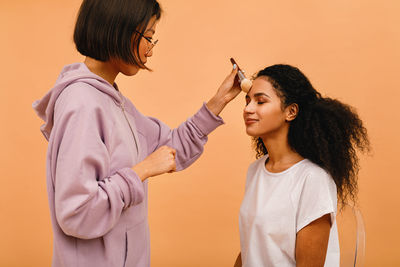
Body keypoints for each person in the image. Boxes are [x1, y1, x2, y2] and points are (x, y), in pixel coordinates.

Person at [33, 0, 241, 266]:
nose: (150, 51)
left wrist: (218, 101)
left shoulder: (114, 102)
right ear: (120, 30)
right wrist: (140, 171)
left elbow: (171, 149)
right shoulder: (82, 104)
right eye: (149, 38)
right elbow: (77, 213)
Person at [234, 64, 370, 267]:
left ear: (291, 111)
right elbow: (252, 248)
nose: (248, 109)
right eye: (247, 101)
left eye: (260, 101)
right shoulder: (256, 170)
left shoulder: (313, 179)